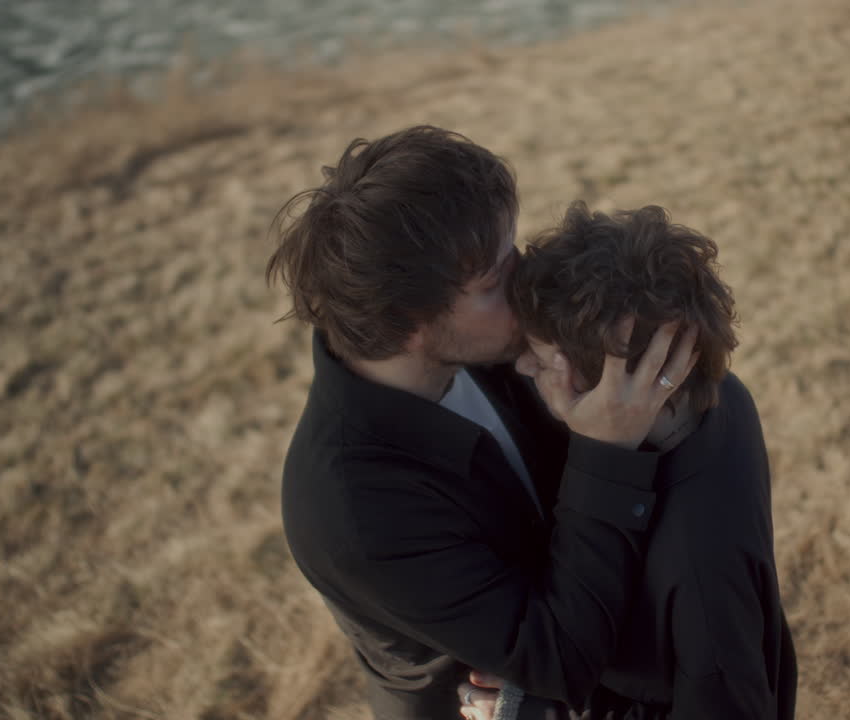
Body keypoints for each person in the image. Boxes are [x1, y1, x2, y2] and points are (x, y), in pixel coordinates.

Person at [266, 126, 699, 720]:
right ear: (410, 323)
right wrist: (608, 452)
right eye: (495, 280)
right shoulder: (352, 507)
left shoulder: (486, 348)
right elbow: (558, 662)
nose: (526, 280)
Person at [458, 203, 797, 720]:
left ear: (616, 389)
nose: (522, 366)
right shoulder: (719, 396)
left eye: (542, 359)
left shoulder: (699, 568)